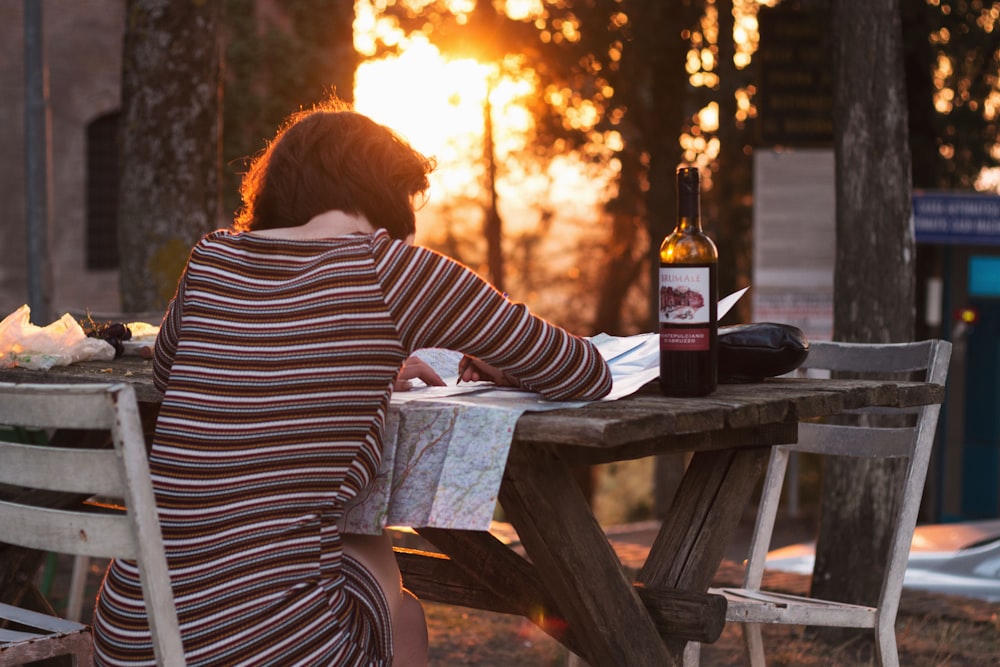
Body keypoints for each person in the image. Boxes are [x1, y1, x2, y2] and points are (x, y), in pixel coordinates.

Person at [92, 99, 612, 666]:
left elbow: (169, 371)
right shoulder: (390, 268)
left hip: (130, 629)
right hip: (258, 641)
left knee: (398, 613)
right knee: (377, 566)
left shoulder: (212, 258)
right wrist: (506, 363)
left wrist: (350, 363)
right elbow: (582, 371)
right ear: (388, 197)